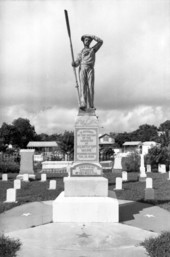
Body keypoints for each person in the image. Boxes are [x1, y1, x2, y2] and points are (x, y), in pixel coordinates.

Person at [72, 34, 103, 110]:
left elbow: (100, 42)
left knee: (90, 87)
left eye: (89, 40)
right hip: (82, 68)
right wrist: (74, 63)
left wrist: (92, 36)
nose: (87, 41)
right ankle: (83, 103)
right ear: (83, 41)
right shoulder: (80, 52)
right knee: (83, 86)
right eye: (86, 40)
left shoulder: (93, 50)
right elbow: (77, 62)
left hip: (90, 68)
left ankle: (91, 105)